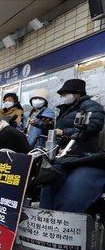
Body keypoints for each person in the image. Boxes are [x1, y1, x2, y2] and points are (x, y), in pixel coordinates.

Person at [40, 79, 105, 212]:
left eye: (67, 93)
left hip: (84, 155)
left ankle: (63, 220)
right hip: (66, 155)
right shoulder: (67, 110)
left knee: (73, 192)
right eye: (63, 94)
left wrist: (64, 133)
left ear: (78, 93)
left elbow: (90, 127)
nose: (64, 97)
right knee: (50, 179)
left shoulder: (90, 106)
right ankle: (44, 216)